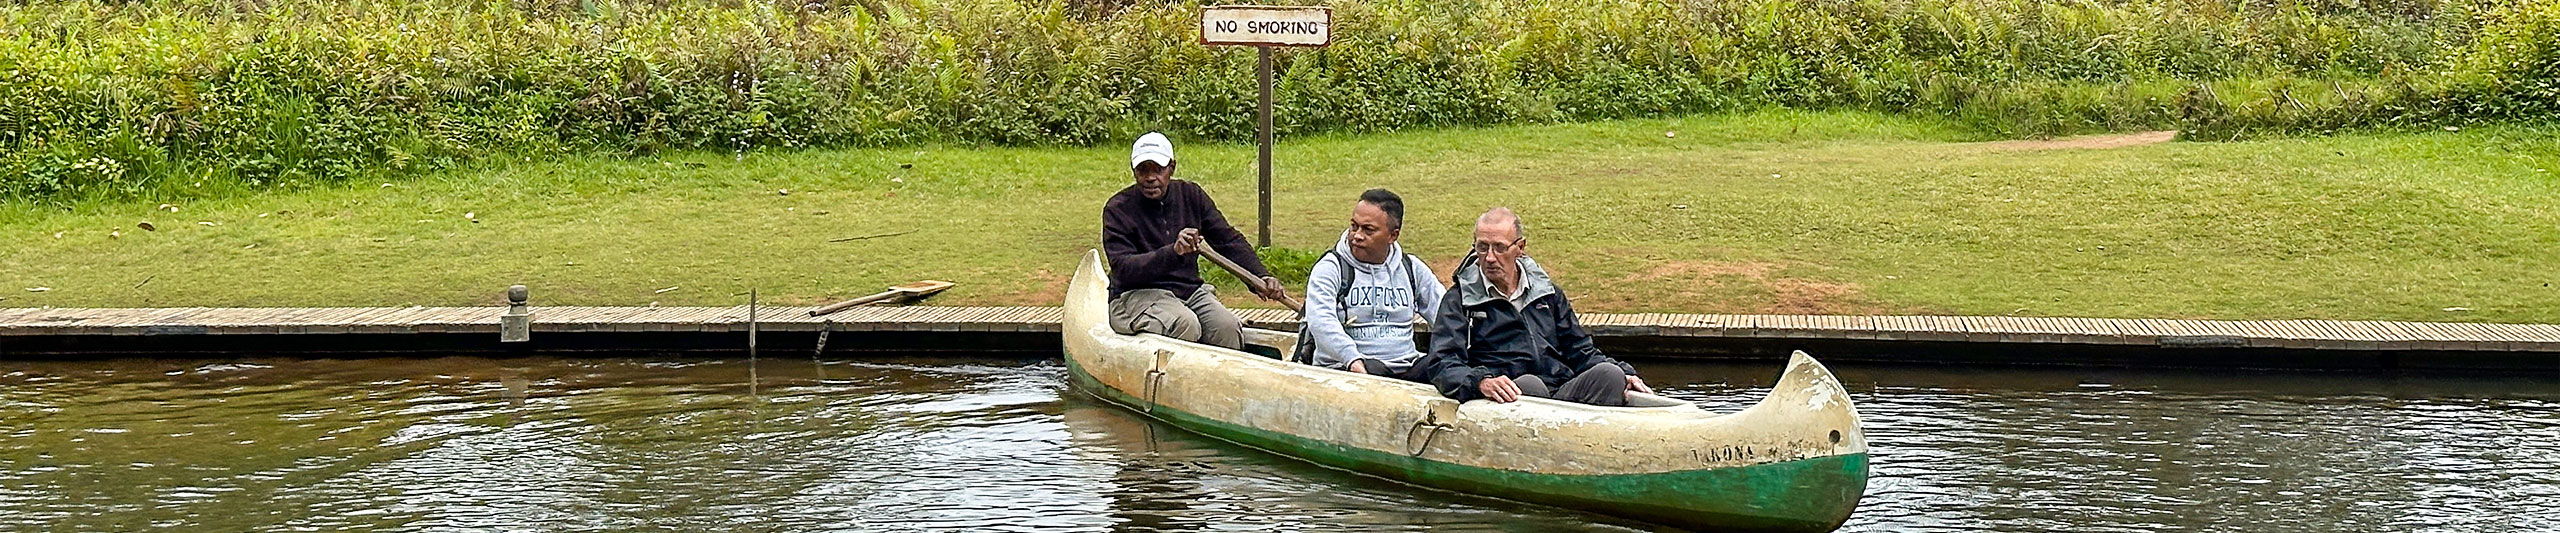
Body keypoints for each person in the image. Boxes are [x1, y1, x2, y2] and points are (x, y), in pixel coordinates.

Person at [1417, 208, 1651, 406]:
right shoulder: (1459, 300)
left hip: (1559, 390)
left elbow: (1580, 350)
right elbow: (1442, 363)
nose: (1489, 257)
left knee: (1610, 375)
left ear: (1520, 248)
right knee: (1530, 385)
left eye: (1499, 248)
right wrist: (1481, 382)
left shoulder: (1548, 294)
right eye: (1482, 247)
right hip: (1507, 399)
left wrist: (1625, 372)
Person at [1102, 132, 1287, 350]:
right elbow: (1124, 269)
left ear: (1172, 167)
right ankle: (1173, 381)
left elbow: (1228, 240)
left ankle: (1222, 382)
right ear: (1134, 171)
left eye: (1158, 170)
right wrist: (1173, 252)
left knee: (1227, 327)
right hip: (1135, 295)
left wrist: (1261, 277)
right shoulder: (1118, 209)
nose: (1150, 178)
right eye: (1143, 170)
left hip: (1188, 291)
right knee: (1185, 324)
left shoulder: (1191, 195)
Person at [1300, 188, 1444, 379]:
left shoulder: (1411, 268)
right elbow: (1321, 322)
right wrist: (1352, 360)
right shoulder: (1330, 268)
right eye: (1354, 226)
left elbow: (1446, 314)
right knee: (1373, 370)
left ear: (1393, 236)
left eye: (1368, 230)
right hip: (1349, 371)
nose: (1357, 236)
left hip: (1406, 366)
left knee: (1444, 367)